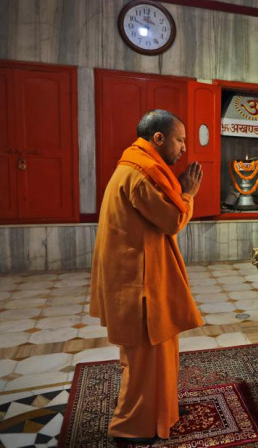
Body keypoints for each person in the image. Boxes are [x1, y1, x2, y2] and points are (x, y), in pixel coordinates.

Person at [90, 109, 204, 444]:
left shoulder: (138, 165)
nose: (184, 147)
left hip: (142, 280)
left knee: (162, 355)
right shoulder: (141, 174)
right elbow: (171, 221)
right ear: (159, 138)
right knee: (143, 365)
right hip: (137, 287)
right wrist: (188, 194)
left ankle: (163, 412)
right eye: (180, 139)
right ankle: (129, 428)